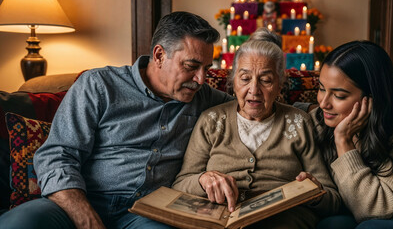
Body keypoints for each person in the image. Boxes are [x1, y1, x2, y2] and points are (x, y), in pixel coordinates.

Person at [0, 11, 233, 229]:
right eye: (192, 66)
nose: (201, 79)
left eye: (206, 68)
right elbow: (57, 155)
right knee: (21, 222)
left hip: (147, 214)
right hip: (79, 200)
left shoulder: (204, 98)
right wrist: (85, 217)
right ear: (160, 55)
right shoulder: (99, 85)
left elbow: (250, 105)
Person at [172, 28, 341, 229]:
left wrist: (313, 192)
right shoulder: (211, 120)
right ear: (232, 82)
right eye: (244, 78)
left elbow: (333, 200)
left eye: (266, 80)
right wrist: (202, 180)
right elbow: (179, 185)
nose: (254, 90)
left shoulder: (298, 122)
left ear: (280, 85)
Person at [310, 40, 393, 229]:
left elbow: (375, 211)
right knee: (331, 225)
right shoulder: (325, 118)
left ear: (371, 98)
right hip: (362, 214)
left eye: (339, 95)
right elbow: (290, 114)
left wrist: (344, 141)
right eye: (321, 88)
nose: (324, 103)